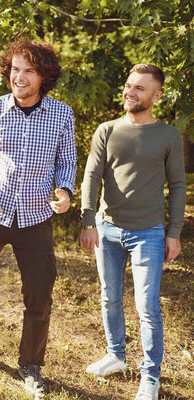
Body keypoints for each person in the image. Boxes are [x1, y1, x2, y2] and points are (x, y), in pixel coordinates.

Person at [0, 39, 77, 395]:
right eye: (15, 69)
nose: (19, 77)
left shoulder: (62, 115)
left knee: (39, 294)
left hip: (36, 217)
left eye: (29, 70)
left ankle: (30, 364)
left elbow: (66, 161)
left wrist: (66, 192)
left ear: (44, 76)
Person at [80, 64, 186, 400]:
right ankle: (116, 356)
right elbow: (91, 176)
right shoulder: (107, 130)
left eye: (140, 88)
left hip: (149, 233)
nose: (131, 92)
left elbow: (179, 186)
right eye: (129, 85)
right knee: (110, 297)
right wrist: (88, 220)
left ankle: (150, 376)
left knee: (147, 306)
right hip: (108, 229)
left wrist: (174, 232)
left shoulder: (168, 136)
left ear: (157, 95)